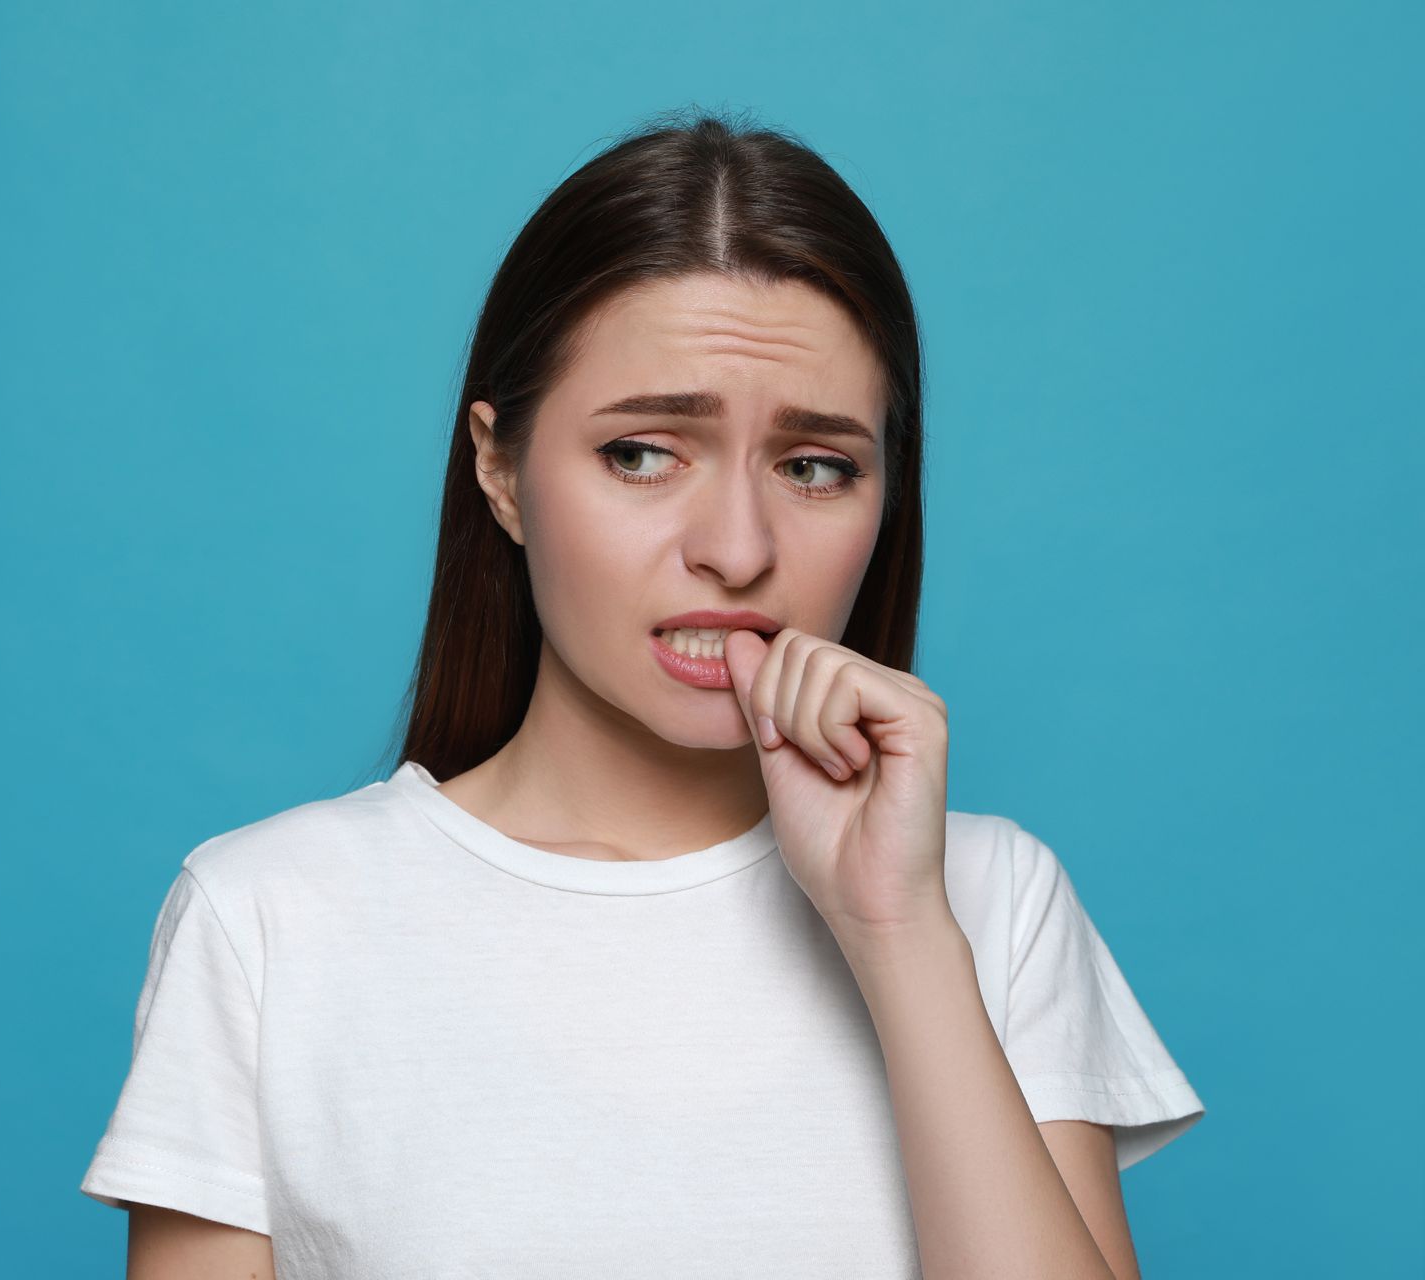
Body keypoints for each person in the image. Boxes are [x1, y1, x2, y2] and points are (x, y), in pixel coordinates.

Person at [79, 106, 1206, 1279]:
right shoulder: (270, 919)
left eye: (815, 465)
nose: (736, 545)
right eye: (643, 452)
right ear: (501, 470)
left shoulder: (990, 900)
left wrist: (897, 932)